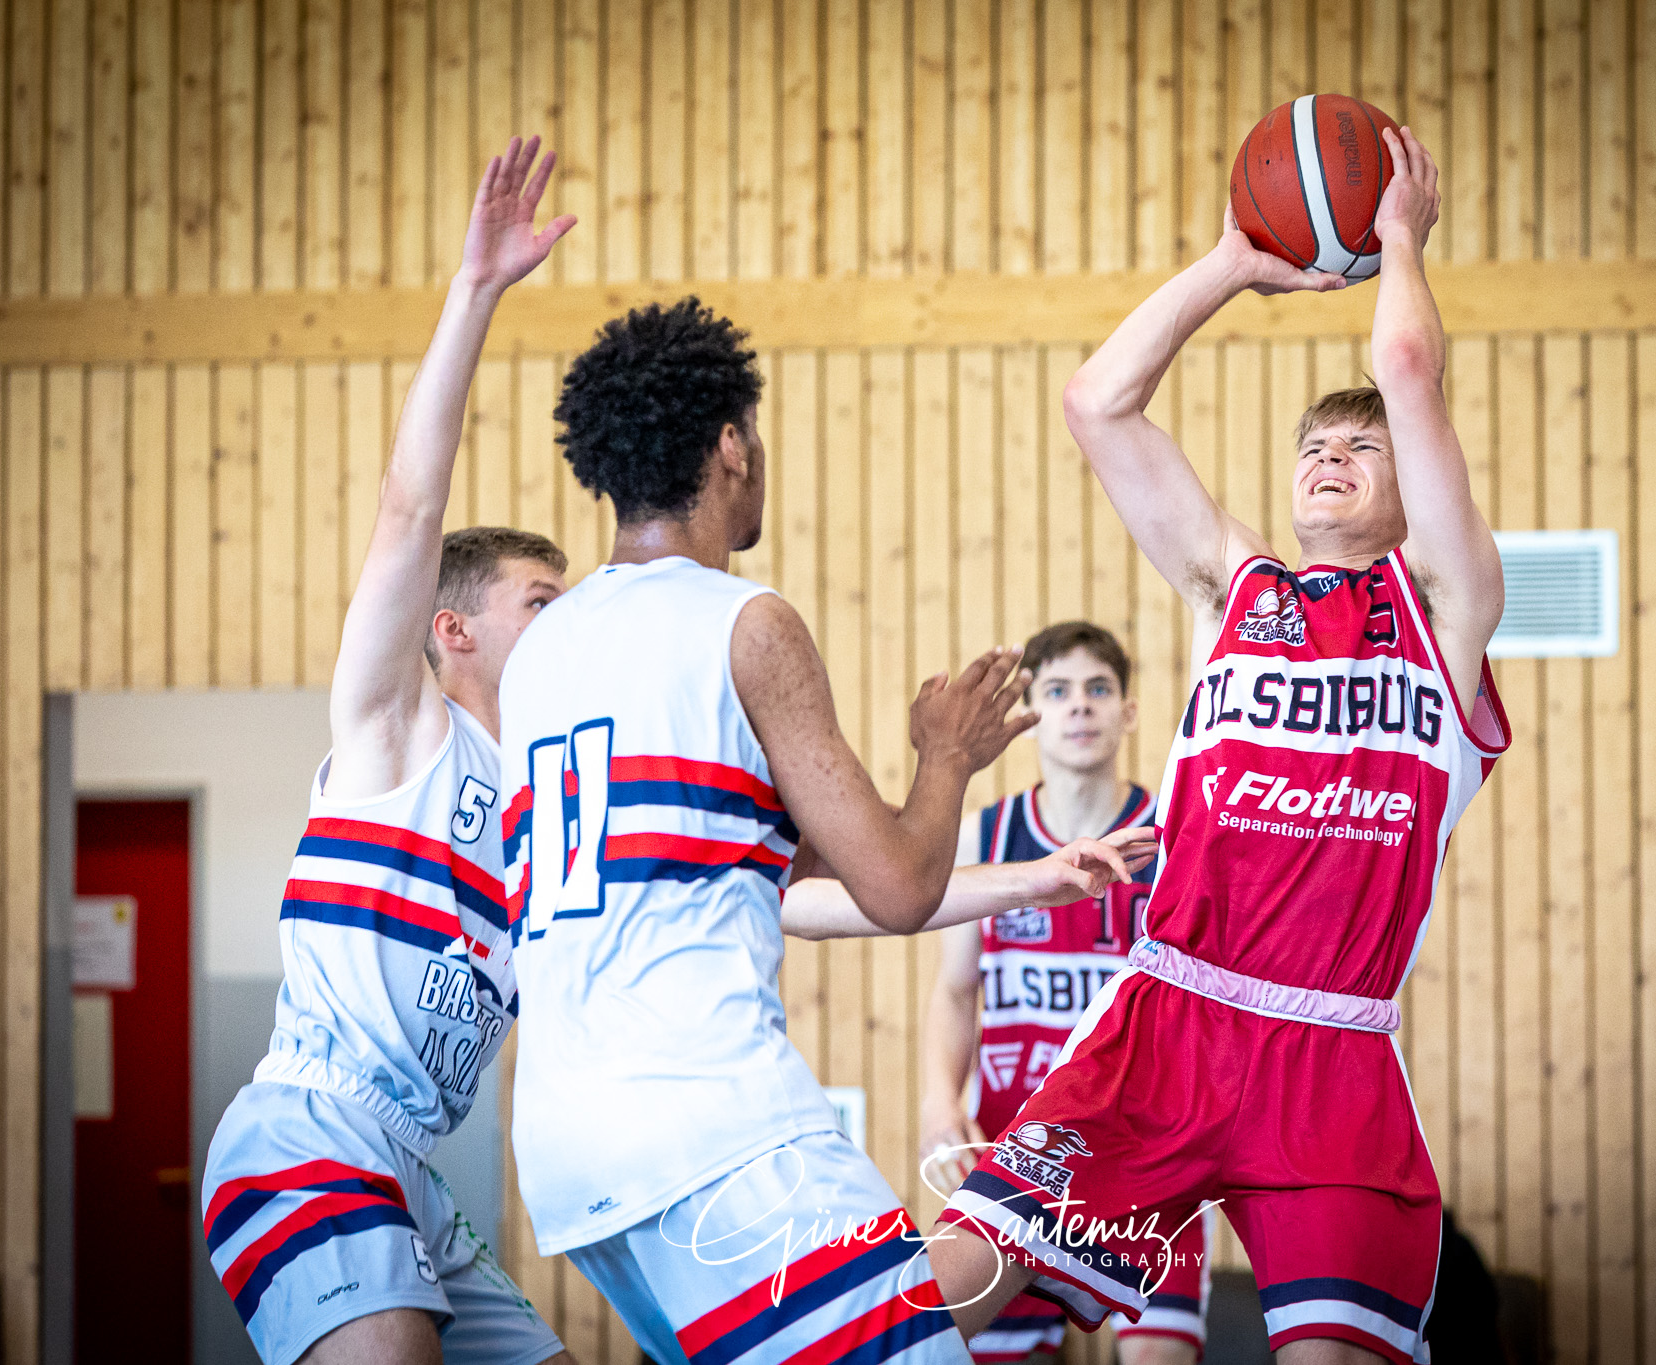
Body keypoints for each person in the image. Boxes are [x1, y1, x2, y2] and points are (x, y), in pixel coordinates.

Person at [927, 127, 1510, 1365]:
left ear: (1413, 484)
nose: (1326, 460)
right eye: (1310, 447)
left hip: (1331, 1054)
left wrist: (1395, 232)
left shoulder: (1445, 610)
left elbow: (1405, 363)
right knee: (933, 1295)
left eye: (1357, 449)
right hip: (1168, 1023)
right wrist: (1230, 262)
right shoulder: (1232, 592)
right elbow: (1097, 401)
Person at [499, 296, 1148, 1365]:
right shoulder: (743, 620)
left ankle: (1044, 1211)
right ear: (729, 447)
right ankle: (1051, 1209)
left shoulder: (546, 649)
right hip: (712, 1125)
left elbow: (775, 869)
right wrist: (946, 755)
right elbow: (894, 885)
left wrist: (1026, 880)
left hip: (569, 1148)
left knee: (897, 1328)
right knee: (922, 1350)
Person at [200, 138, 579, 1365]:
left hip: (407, 1171)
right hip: (307, 1137)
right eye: (542, 601)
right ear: (453, 628)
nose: (567, 625)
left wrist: (1032, 879)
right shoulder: (399, 728)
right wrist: (473, 294)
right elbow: (410, 511)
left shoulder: (551, 807)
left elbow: (786, 900)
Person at [918, 622, 1206, 1365]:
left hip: (1149, 1148)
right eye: (1058, 691)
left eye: (1098, 689)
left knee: (1162, 1356)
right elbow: (955, 990)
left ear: (1129, 711)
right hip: (1017, 1144)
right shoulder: (989, 832)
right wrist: (936, 1101)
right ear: (1032, 713)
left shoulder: (1173, 839)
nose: (1080, 706)